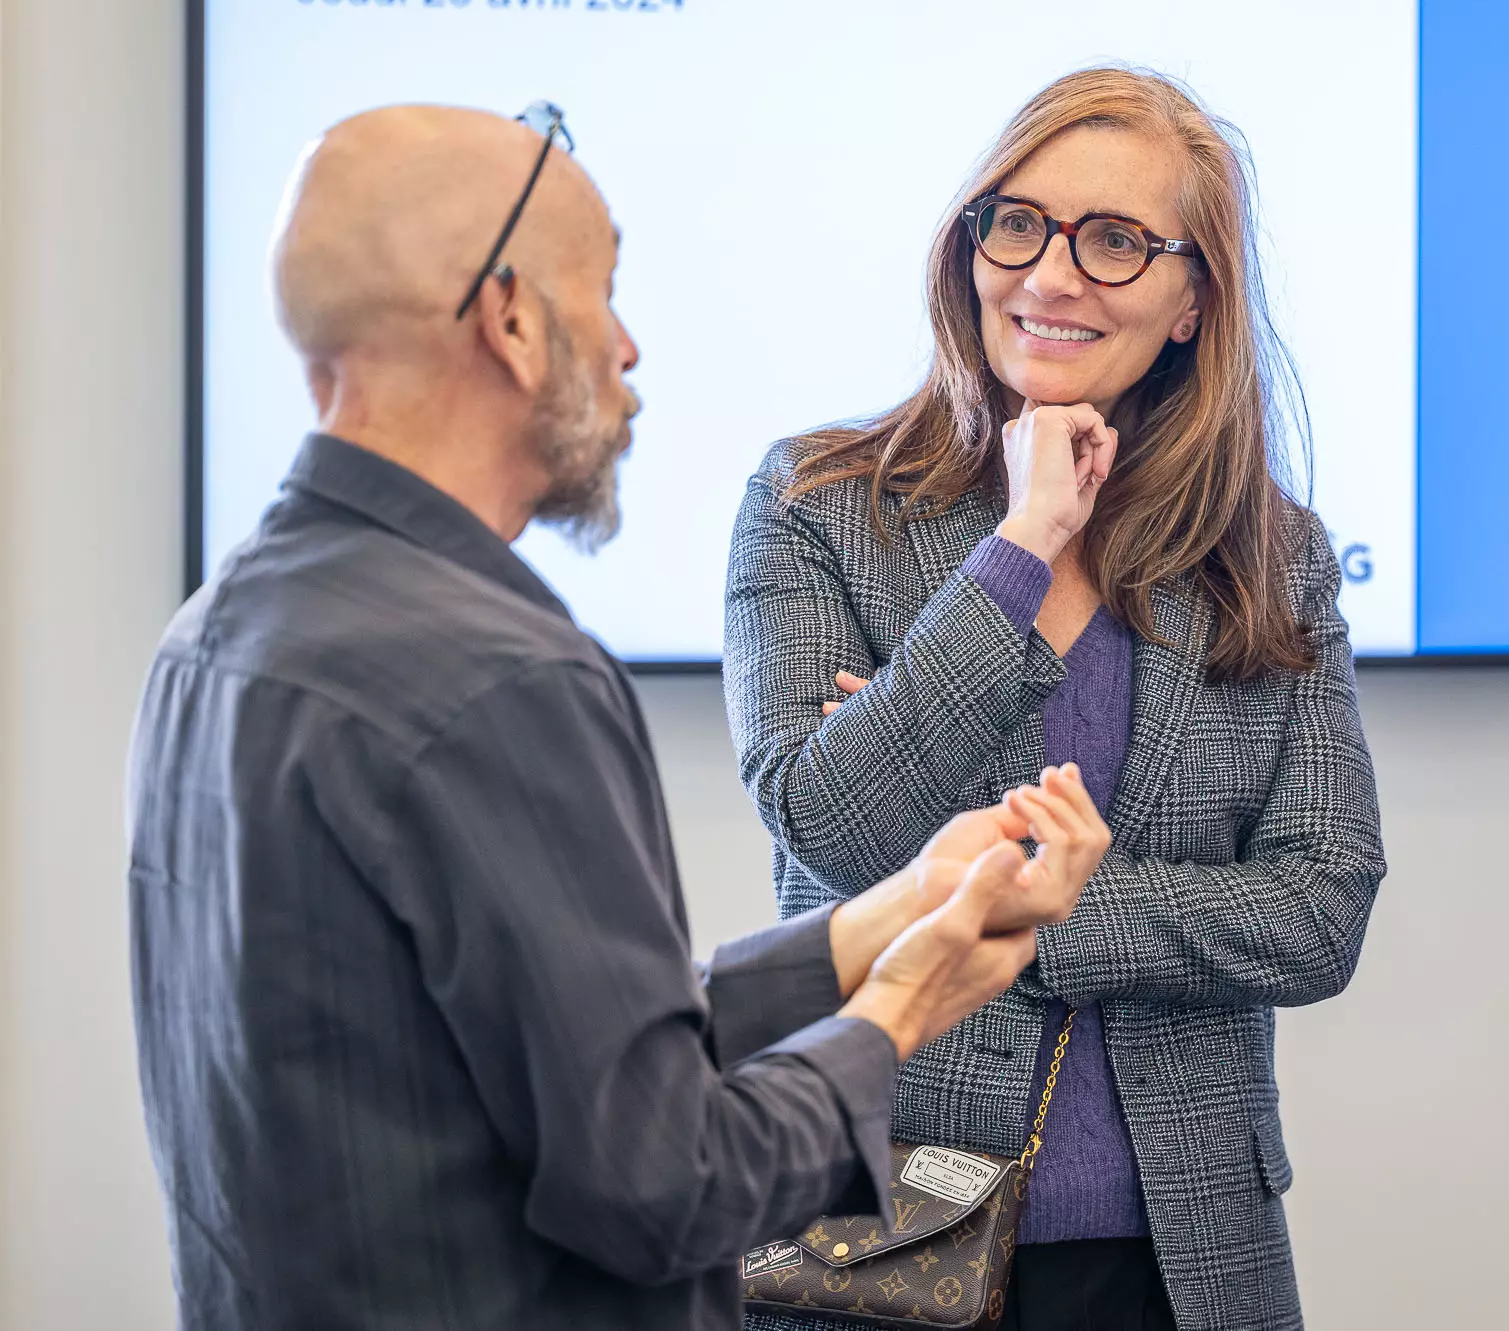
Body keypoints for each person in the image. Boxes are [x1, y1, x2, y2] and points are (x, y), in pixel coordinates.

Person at [127, 103, 1112, 1331]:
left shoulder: (216, 635)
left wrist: (894, 909)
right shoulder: (499, 678)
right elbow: (669, 1181)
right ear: (512, 322)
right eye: (603, 293)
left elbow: (578, 1051)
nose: (630, 346)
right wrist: (904, 1003)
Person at [725, 66, 1385, 1331]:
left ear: (1193, 300)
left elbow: (1320, 908)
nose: (1051, 274)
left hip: (1183, 1253)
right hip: (876, 1240)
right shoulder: (816, 504)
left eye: (1116, 240)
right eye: (1018, 223)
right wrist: (1022, 543)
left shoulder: (1272, 554)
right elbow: (831, 824)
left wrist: (1042, 907)